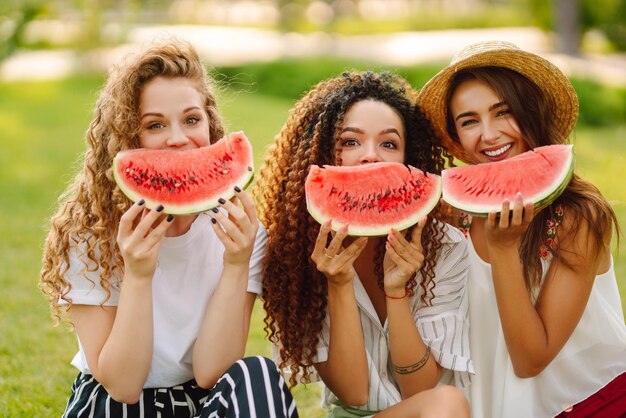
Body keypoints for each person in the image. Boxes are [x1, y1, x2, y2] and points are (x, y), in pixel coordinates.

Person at [39, 38, 298, 418]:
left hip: (200, 400)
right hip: (111, 402)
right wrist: (138, 277)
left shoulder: (240, 232)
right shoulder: (90, 233)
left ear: (211, 125)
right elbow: (122, 385)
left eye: (192, 120)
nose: (178, 138)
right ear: (128, 138)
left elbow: (213, 372)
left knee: (258, 373)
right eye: (155, 124)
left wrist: (236, 263)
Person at [417, 40, 626, 418]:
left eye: (503, 112)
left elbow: (531, 360)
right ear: (456, 136)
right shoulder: (451, 213)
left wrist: (502, 250)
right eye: (469, 121)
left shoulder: (577, 216)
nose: (489, 134)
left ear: (531, 112)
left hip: (589, 404)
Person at [253, 71, 473, 418]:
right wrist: (338, 285)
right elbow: (354, 394)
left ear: (408, 160)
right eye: (350, 142)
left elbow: (420, 391)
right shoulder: (293, 254)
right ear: (321, 153)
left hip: (431, 411)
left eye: (389, 144)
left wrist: (397, 291)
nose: (371, 156)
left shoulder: (446, 247)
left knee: (446, 402)